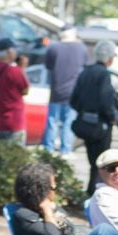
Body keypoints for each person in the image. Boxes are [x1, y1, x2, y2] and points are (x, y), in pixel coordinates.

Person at [71, 40, 118, 193]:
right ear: (109, 58)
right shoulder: (103, 74)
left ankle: (91, 191)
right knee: (103, 163)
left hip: (86, 123)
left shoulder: (85, 72)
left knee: (93, 162)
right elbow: (106, 99)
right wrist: (111, 117)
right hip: (100, 125)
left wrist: (84, 112)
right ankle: (96, 193)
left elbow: (73, 100)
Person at [41, 25, 89, 156]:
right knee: (69, 123)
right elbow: (84, 67)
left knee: (52, 122)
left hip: (56, 90)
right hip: (74, 92)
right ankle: (66, 150)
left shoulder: (53, 47)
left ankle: (48, 149)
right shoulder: (81, 48)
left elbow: (49, 67)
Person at [0, 37, 30, 144]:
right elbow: (25, 90)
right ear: (9, 52)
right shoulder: (14, 71)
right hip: (15, 120)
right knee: (15, 155)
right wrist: (22, 68)